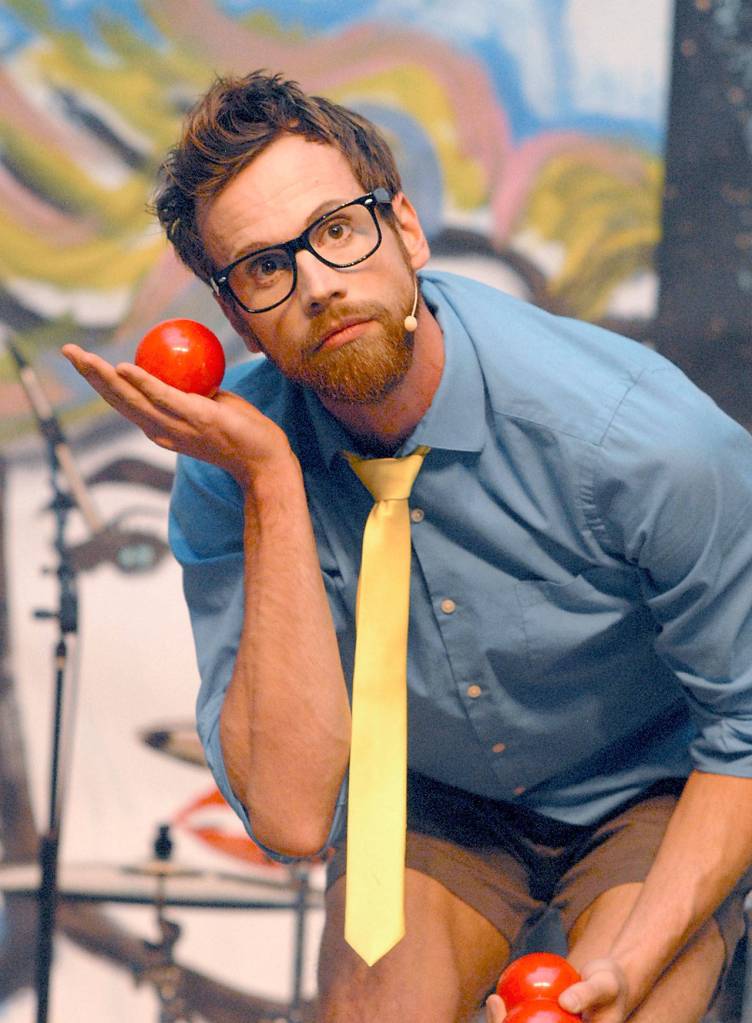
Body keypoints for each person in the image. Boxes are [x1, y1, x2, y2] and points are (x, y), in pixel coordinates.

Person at [62, 70, 752, 1023]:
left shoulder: (640, 441)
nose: (317, 284)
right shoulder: (232, 460)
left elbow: (749, 736)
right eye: (265, 267)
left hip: (650, 785)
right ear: (235, 315)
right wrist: (269, 480)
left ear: (407, 231)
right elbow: (295, 813)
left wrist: (631, 965)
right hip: (441, 799)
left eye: (338, 229)